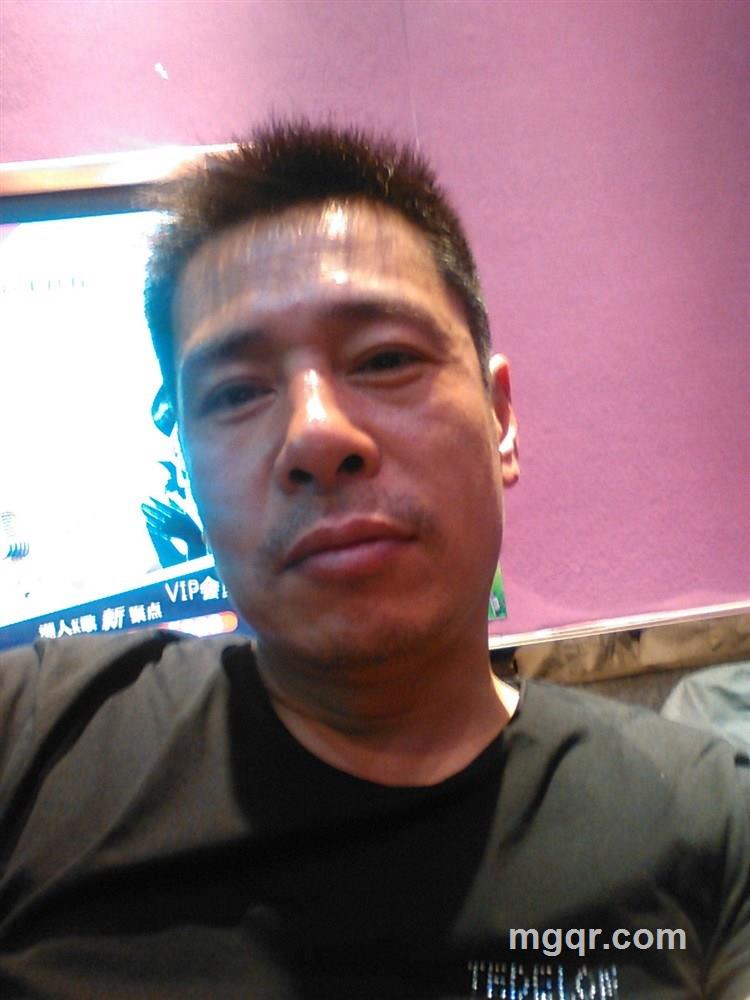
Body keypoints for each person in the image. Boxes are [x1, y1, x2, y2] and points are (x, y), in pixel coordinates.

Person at [0, 121, 748, 1000]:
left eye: (386, 358)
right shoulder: (38, 743)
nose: (315, 435)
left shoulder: (703, 823)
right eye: (236, 393)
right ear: (186, 472)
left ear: (501, 419)